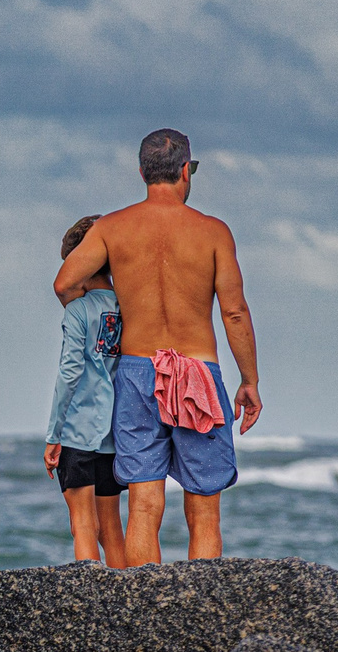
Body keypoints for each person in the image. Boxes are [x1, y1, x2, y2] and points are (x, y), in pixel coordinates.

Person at [52, 128, 263, 562]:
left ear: (142, 172)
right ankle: (196, 612)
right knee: (203, 511)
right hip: (197, 374)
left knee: (144, 506)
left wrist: (101, 321)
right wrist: (249, 380)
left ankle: (144, 615)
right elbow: (235, 313)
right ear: (186, 171)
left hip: (137, 372)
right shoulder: (214, 232)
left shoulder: (113, 228)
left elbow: (65, 282)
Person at [44, 214, 127, 566]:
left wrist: (53, 434)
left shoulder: (78, 311)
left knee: (82, 525)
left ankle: (90, 605)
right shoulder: (130, 308)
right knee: (111, 529)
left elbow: (70, 372)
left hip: (78, 432)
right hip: (113, 434)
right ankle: (131, 598)